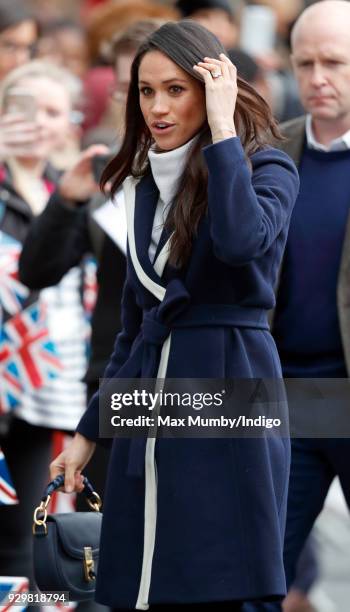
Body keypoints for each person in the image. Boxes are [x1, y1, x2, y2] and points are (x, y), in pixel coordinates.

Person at [50, 20, 299, 610]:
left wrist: (221, 131)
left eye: (176, 89)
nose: (157, 107)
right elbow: (135, 330)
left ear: (212, 88)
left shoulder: (266, 168)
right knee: (145, 583)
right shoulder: (140, 188)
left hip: (232, 385)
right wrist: (90, 431)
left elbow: (240, 243)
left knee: (220, 582)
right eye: (145, 91)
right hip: (152, 400)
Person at [244, 1, 350, 611]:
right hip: (284, 397)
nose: (317, 77)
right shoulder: (271, 151)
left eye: (334, 62)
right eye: (304, 62)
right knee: (258, 573)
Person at [0, 60, 89, 587]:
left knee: (26, 531)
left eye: (53, 111)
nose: (39, 123)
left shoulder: (74, 187)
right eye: (24, 109)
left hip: (47, 390)